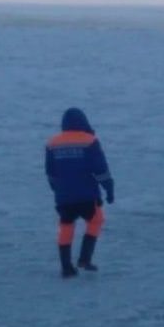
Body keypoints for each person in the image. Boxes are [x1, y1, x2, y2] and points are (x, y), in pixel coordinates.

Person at [45, 108, 114, 277]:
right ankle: (84, 259)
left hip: (64, 196)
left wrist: (57, 189)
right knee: (96, 220)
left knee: (66, 226)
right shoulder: (90, 141)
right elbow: (100, 170)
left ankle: (66, 267)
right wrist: (109, 188)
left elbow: (51, 172)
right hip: (87, 194)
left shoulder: (52, 143)